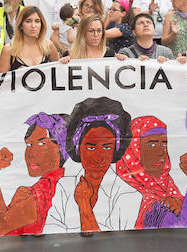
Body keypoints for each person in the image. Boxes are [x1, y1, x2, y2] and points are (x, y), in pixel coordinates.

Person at [46, 98, 139, 232]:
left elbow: (116, 240)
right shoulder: (62, 187)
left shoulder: (128, 194)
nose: (98, 158)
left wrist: (84, 206)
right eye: (90, 148)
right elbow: (51, 228)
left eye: (107, 148)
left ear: (116, 149)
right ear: (78, 148)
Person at [0, 111, 68, 236]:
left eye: (42, 143)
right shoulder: (46, 188)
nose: (31, 153)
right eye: (29, 144)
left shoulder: (43, 192)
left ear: (61, 148)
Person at [116, 116, 187, 230]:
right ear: (134, 149)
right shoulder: (128, 192)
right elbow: (186, 225)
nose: (161, 152)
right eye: (152, 144)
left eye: (163, 144)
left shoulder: (167, 186)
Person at [0, 6, 59, 72]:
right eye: (28, 21)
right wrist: (18, 75)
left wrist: (65, 62)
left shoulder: (48, 45)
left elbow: (60, 72)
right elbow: (2, 80)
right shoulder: (8, 50)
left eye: (37, 21)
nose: (33, 26)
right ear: (21, 25)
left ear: (41, 25)